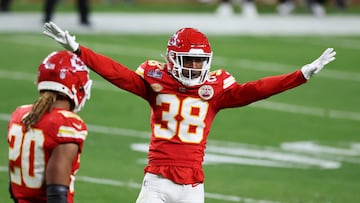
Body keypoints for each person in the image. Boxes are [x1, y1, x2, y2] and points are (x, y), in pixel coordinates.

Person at [42, 22, 336, 203]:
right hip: (156, 181)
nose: (195, 67)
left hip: (193, 187)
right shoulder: (156, 82)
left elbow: (256, 89)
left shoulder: (216, 90)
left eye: (199, 61)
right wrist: (80, 50)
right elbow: (117, 73)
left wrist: (301, 75)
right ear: (172, 58)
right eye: (189, 60)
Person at [7, 50, 93, 203]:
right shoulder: (66, 123)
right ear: (77, 87)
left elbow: (13, 188)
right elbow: (56, 192)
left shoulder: (20, 114)